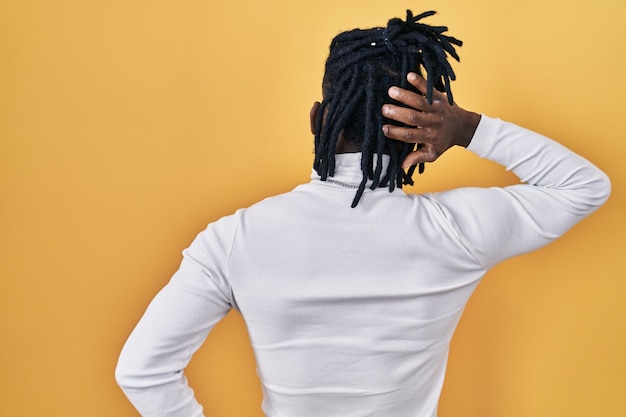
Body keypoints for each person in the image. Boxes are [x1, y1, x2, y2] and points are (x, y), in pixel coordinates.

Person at [115, 9, 611, 417]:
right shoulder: (454, 230)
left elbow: (141, 371)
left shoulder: (234, 239)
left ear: (318, 120)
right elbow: (585, 186)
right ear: (419, 132)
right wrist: (467, 128)